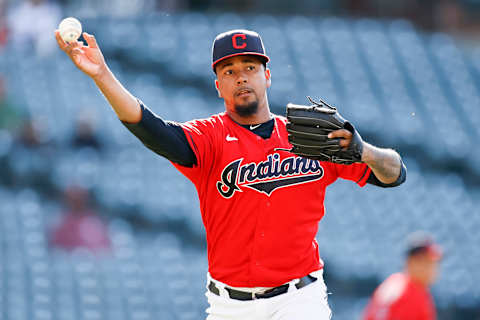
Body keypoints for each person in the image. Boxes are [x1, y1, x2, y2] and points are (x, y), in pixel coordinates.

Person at [55, 28, 406, 320]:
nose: (241, 76)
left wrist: (365, 151)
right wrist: (102, 75)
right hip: (228, 306)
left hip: (299, 300)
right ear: (218, 86)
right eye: (228, 71)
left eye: (250, 67)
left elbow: (395, 174)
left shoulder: (310, 138)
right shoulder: (208, 139)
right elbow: (152, 130)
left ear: (267, 76)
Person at [363, 232, 442, 320]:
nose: (433, 268)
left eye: (434, 263)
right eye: (427, 262)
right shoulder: (414, 294)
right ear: (411, 262)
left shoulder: (392, 283)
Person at [49, 184, 111, 253]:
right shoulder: (60, 225)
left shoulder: (95, 224)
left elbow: (103, 250)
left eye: (79, 198)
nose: (76, 202)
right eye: (73, 199)